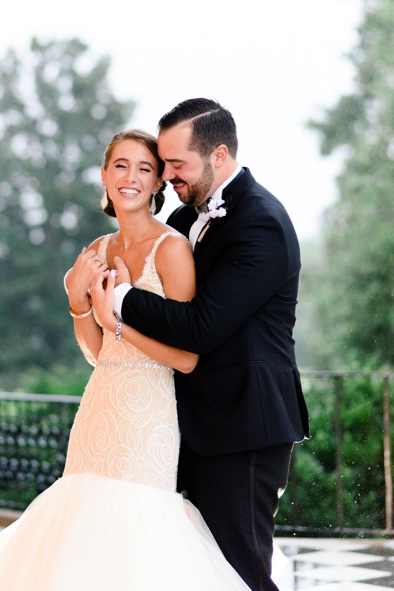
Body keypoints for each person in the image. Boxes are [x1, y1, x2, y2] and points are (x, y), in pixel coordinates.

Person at [0, 129, 250, 590]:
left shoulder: (173, 250)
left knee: (135, 530)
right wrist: (77, 302)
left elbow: (186, 359)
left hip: (148, 417)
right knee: (79, 528)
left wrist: (117, 319)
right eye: (121, 165)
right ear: (104, 175)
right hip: (99, 408)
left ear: (158, 183)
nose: (131, 177)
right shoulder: (96, 252)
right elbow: (97, 353)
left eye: (145, 168)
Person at [94, 99, 309, 591]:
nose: (166, 176)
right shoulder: (189, 213)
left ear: (217, 155)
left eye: (175, 164)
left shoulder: (261, 222)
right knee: (189, 568)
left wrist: (121, 299)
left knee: (238, 570)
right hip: (185, 424)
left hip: (243, 425)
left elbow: (202, 327)